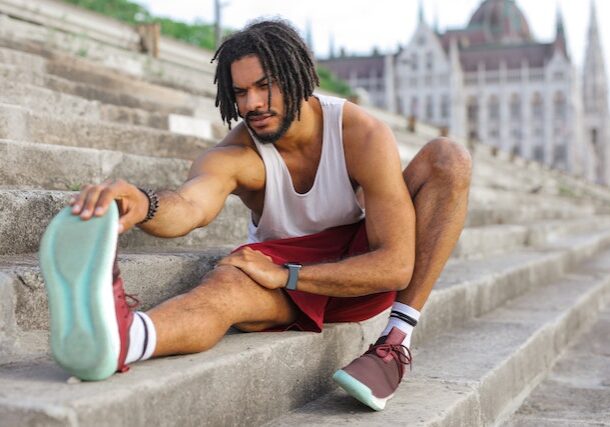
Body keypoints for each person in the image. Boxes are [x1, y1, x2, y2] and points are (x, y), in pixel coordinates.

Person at [39, 19, 471, 411]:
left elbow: (395, 266)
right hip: (280, 265)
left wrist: (289, 276)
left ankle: (396, 340)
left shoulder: (358, 132)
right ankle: (125, 338)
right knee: (224, 286)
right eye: (241, 92)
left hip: (358, 271)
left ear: (299, 78)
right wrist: (143, 202)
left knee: (447, 158)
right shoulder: (239, 152)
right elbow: (191, 206)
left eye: (266, 86)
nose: (253, 103)